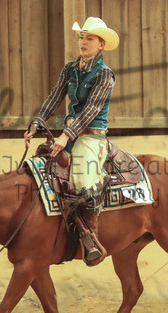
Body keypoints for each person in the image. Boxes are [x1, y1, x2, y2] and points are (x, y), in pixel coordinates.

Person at [24, 17, 119, 266]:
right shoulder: (70, 69)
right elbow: (54, 96)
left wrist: (66, 135)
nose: (83, 42)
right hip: (71, 134)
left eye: (89, 38)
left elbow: (91, 109)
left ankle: (91, 238)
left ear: (101, 45)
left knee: (82, 178)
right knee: (42, 168)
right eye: (82, 37)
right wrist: (37, 122)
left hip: (91, 136)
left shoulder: (105, 75)